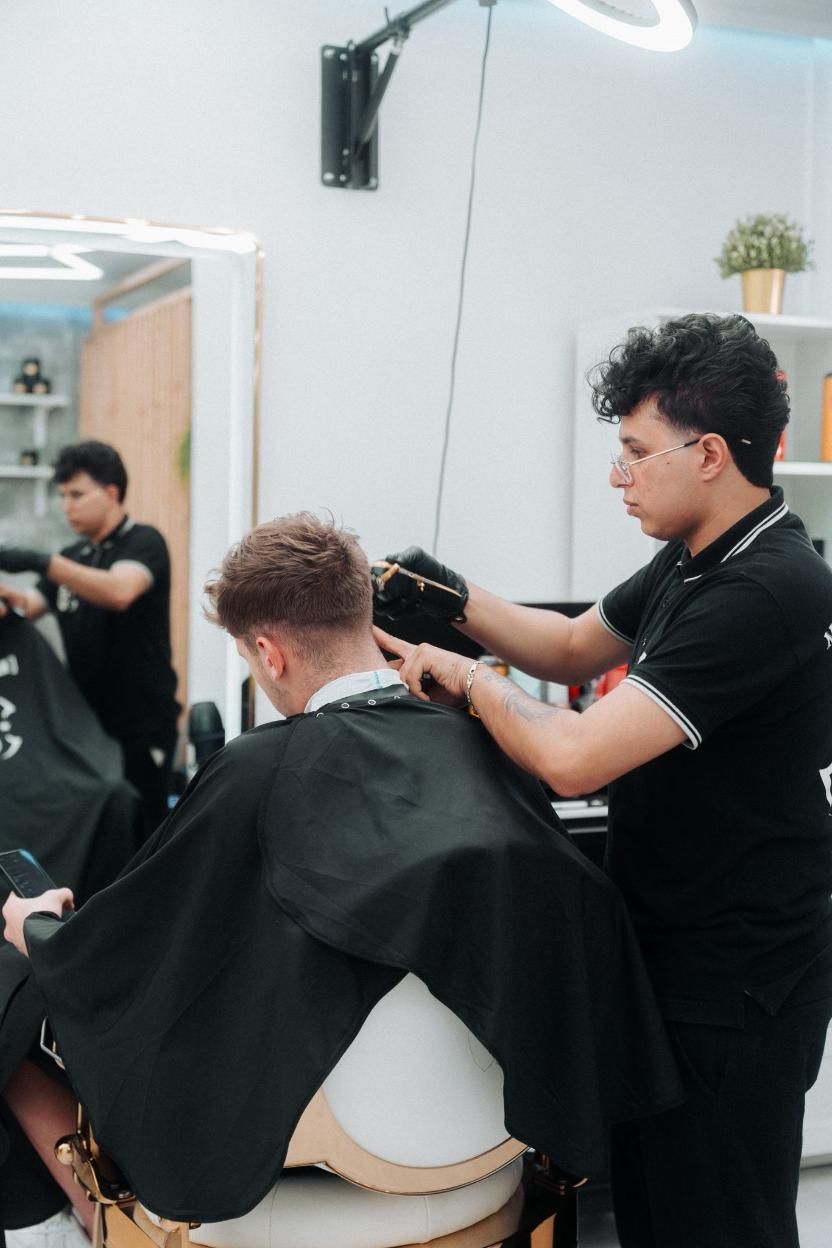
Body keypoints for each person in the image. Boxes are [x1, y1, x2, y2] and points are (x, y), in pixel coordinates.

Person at [2, 512, 681, 1228]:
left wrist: (40, 928)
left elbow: (136, 956)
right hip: (490, 1131)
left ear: (269, 652)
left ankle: (104, 1225)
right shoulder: (491, 741)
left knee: (13, 992)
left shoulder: (256, 771)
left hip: (331, 1131)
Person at [372, 313, 832, 1248]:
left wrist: (463, 676)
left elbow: (575, 753)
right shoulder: (696, 555)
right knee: (653, 1209)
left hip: (737, 977)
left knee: (720, 1220)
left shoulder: (767, 588)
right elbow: (578, 642)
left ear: (707, 454)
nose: (618, 477)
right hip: (669, 945)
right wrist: (446, 597)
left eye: (633, 453)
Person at [0, 441, 180, 836]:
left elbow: (119, 591)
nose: (67, 506)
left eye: (77, 495)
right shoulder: (74, 554)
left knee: (146, 829)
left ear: (112, 492)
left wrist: (39, 560)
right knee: (104, 828)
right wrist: (7, 596)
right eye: (63, 495)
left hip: (142, 721)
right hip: (86, 725)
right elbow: (29, 604)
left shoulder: (144, 542)